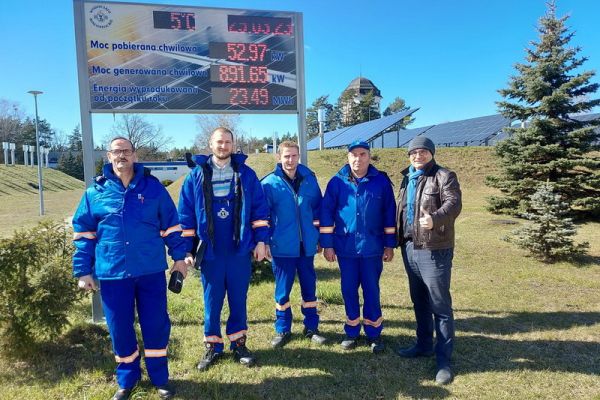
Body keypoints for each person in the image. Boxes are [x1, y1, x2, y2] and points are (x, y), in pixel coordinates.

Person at [72, 137, 187, 400]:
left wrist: (179, 258)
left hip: (150, 271)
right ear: (108, 156)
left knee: (156, 325)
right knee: (119, 328)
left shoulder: (154, 188)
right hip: (112, 273)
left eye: (126, 151)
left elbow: (171, 226)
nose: (121, 155)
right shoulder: (95, 193)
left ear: (134, 155)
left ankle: (161, 379)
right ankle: (127, 380)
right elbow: (84, 234)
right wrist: (83, 270)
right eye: (116, 152)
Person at [178, 127, 269, 370]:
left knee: (238, 298)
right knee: (212, 299)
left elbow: (260, 211)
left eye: (227, 142)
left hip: (238, 248)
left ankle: (239, 343)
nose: (223, 146)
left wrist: (261, 240)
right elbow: (186, 216)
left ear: (233, 145)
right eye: (219, 142)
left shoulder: (246, 174)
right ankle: (212, 345)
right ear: (210, 144)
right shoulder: (195, 176)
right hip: (210, 250)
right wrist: (186, 250)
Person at [395, 136, 462, 385]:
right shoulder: (407, 177)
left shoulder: (444, 176)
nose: (418, 156)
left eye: (423, 152)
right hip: (410, 247)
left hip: (434, 248)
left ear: (431, 153)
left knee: (440, 306)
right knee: (419, 300)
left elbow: (453, 204)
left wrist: (435, 218)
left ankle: (443, 360)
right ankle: (423, 345)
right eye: (413, 152)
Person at [320, 140, 396, 353]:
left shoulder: (380, 182)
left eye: (362, 154)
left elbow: (389, 213)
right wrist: (327, 245)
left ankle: (374, 333)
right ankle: (351, 331)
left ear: (369, 157)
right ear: (348, 157)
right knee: (348, 289)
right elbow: (326, 212)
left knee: (372, 290)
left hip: (373, 248)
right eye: (354, 154)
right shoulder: (337, 182)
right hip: (346, 247)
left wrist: (389, 245)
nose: (358, 159)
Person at [261, 141, 327, 348]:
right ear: (279, 158)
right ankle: (282, 330)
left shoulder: (310, 180)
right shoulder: (269, 184)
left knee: (309, 289)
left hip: (306, 246)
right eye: (286, 156)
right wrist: (266, 242)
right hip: (282, 247)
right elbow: (263, 216)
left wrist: (317, 237)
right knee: (282, 291)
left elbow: (318, 210)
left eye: (294, 156)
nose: (290, 160)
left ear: (299, 156)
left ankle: (311, 328)